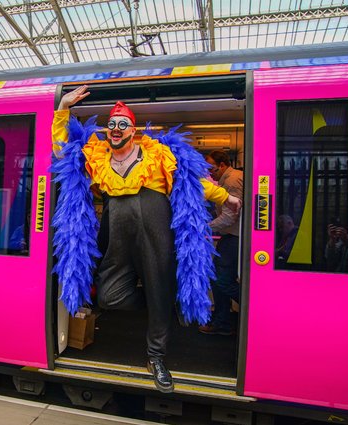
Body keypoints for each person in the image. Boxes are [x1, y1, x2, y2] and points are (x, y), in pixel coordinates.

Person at [51, 85, 241, 392]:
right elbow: (60, 150)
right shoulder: (96, 155)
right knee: (109, 296)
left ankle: (156, 357)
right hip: (116, 232)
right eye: (111, 124)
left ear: (133, 129)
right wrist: (63, 107)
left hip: (156, 228)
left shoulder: (157, 153)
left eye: (122, 123)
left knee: (159, 289)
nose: (115, 129)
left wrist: (225, 197)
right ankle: (163, 301)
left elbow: (190, 182)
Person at [199, 151, 243, 336]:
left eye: (212, 168)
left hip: (234, 238)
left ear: (223, 165)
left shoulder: (232, 181)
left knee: (221, 281)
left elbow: (230, 216)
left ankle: (253, 306)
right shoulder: (229, 179)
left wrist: (204, 228)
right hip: (231, 237)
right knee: (218, 280)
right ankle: (222, 322)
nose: (211, 173)